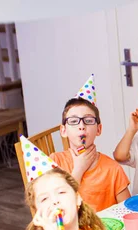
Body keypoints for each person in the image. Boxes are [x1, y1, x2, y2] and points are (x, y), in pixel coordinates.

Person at [50, 75, 130, 211]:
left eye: (88, 120)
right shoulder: (54, 162)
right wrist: (78, 170)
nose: (81, 126)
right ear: (63, 130)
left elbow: (129, 212)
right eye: (74, 121)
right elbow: (54, 206)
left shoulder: (112, 169)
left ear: (98, 129)